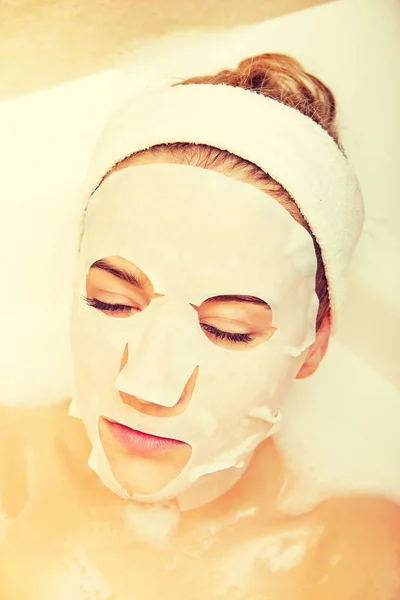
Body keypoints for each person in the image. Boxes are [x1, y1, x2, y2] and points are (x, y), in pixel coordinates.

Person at [0, 53, 399, 600]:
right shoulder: (10, 469)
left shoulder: (357, 558)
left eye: (228, 330)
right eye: (113, 302)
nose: (146, 386)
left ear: (315, 344)